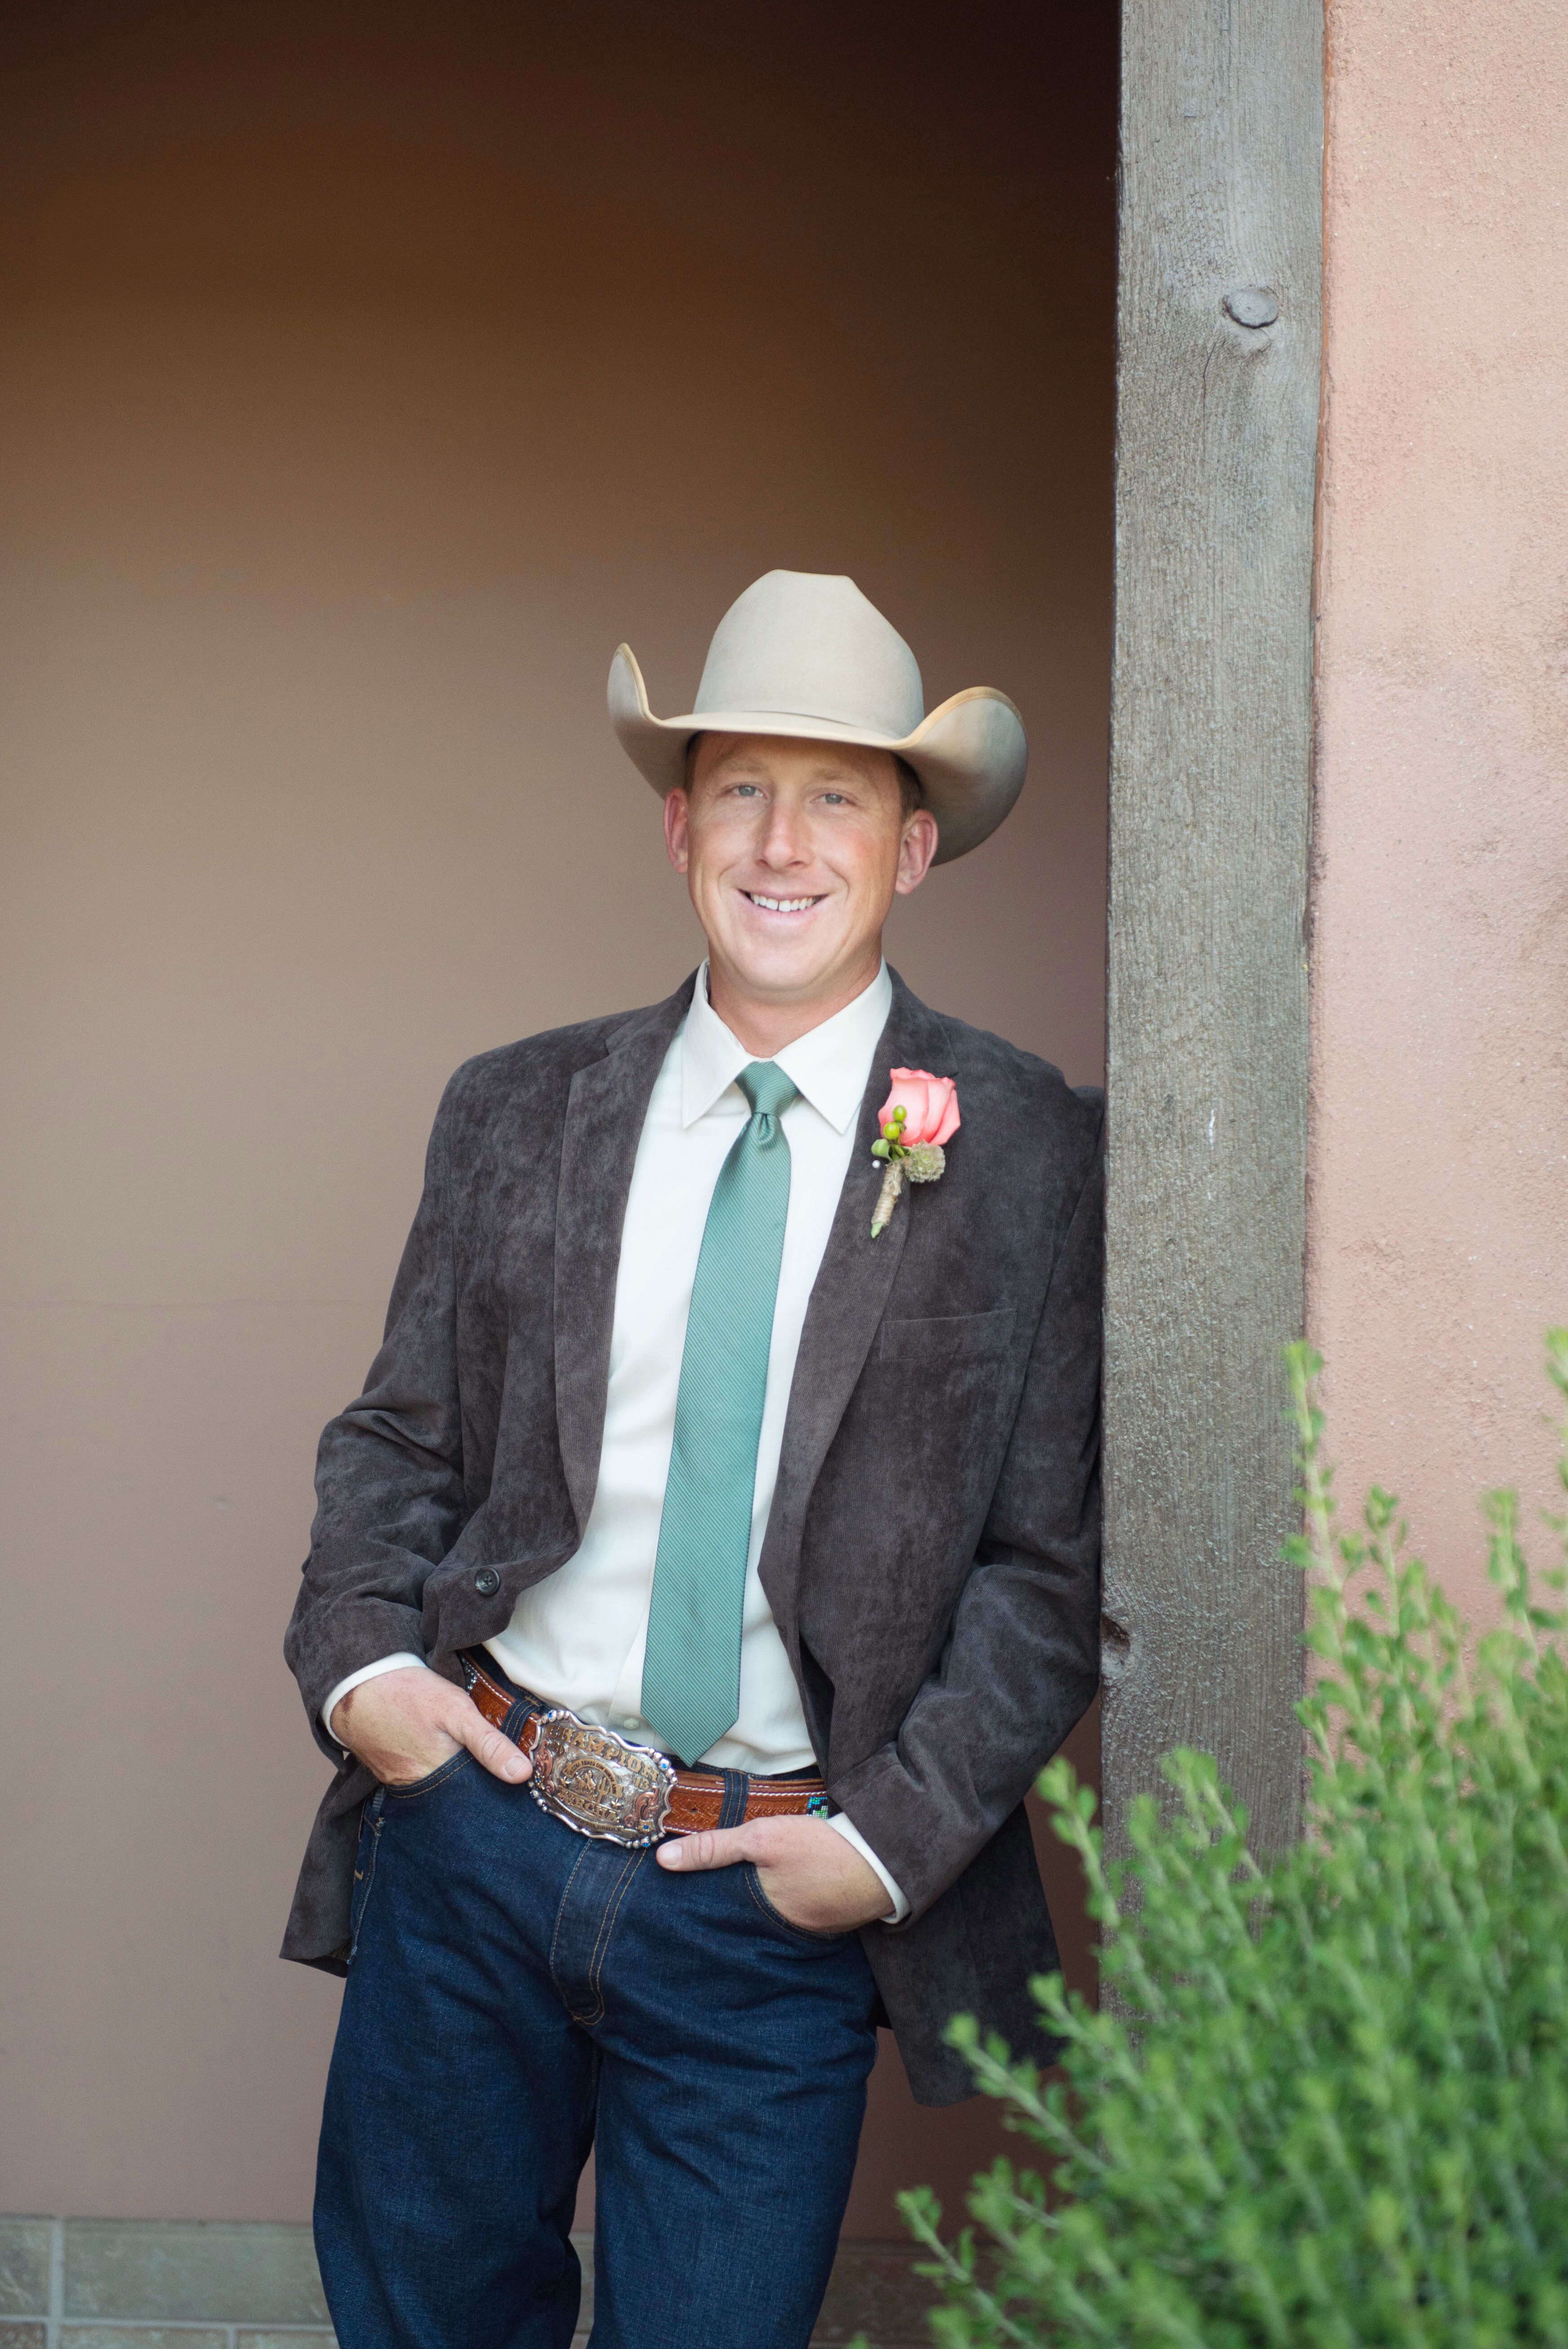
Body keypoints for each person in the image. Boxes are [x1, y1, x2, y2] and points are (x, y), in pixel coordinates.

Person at [282, 569, 1103, 2349]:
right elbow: (397, 1438)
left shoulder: (1028, 1144)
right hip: (477, 1839)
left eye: (838, 794)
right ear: (678, 825)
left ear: (914, 845)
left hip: (772, 1901)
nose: (783, 839)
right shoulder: (518, 1106)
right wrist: (369, 1680)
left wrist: (879, 1845)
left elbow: (1046, 1569)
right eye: (742, 785)